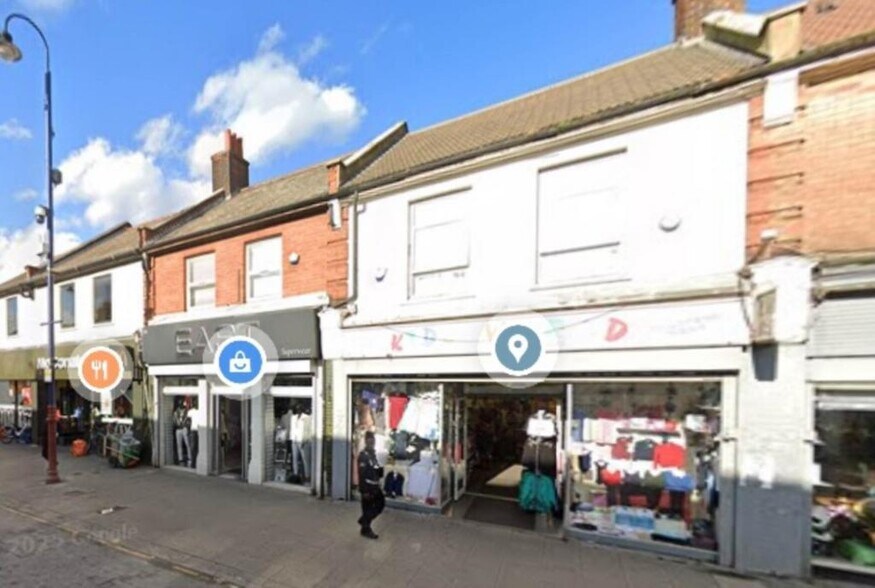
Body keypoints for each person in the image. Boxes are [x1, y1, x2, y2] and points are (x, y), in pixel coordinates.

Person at [357, 431, 385, 539]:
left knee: (380, 504)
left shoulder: (373, 455)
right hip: (368, 487)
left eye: (373, 442)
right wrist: (364, 491)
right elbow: (362, 474)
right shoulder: (363, 456)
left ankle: (364, 521)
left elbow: (376, 469)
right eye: (369, 442)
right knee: (368, 508)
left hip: (375, 485)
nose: (371, 444)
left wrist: (380, 470)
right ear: (365, 442)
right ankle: (365, 528)